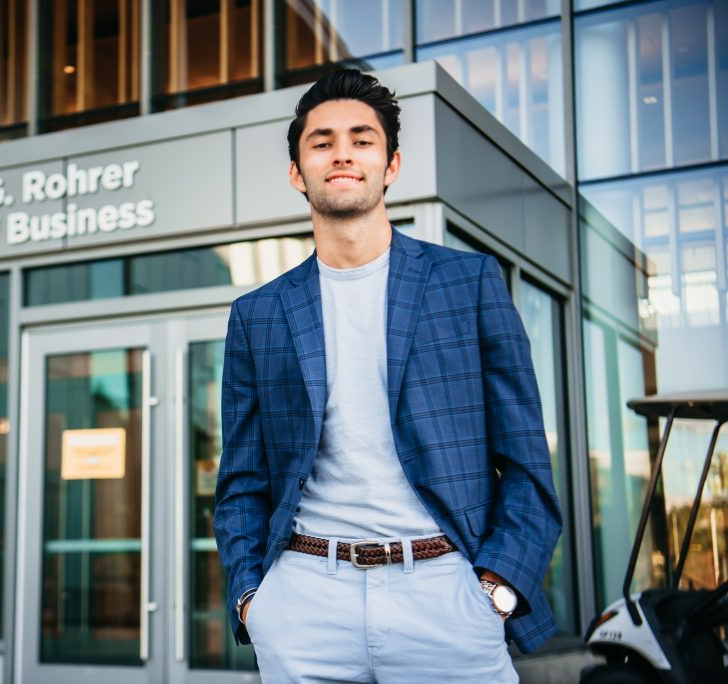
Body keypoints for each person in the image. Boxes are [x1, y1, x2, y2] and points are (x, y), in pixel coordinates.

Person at [213, 68, 562, 682]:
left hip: (447, 600)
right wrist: (254, 599)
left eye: (362, 139)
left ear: (391, 165)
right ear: (298, 173)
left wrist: (497, 589)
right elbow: (242, 481)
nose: (342, 152)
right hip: (304, 605)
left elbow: (529, 465)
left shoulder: (468, 283)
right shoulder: (258, 315)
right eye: (321, 142)